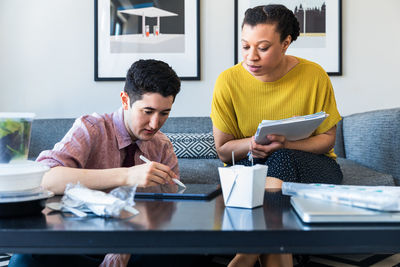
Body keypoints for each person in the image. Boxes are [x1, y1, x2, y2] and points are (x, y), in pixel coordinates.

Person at [9, 59, 209, 267]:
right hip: (80, 242)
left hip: (134, 246)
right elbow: (46, 179)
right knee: (26, 259)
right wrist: (127, 175)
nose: (155, 124)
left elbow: (169, 213)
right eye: (148, 112)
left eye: (164, 113)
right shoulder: (91, 128)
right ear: (125, 100)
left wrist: (125, 248)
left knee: (194, 253)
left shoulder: (162, 146)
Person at [210, 5, 343, 267]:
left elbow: (327, 139)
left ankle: (248, 252)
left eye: (263, 47)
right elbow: (223, 151)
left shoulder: (314, 75)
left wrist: (288, 144)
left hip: (314, 167)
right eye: (245, 46)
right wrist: (252, 144)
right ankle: (264, 242)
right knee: (272, 165)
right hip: (250, 168)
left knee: (281, 156)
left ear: (285, 43)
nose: (251, 57)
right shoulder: (227, 81)